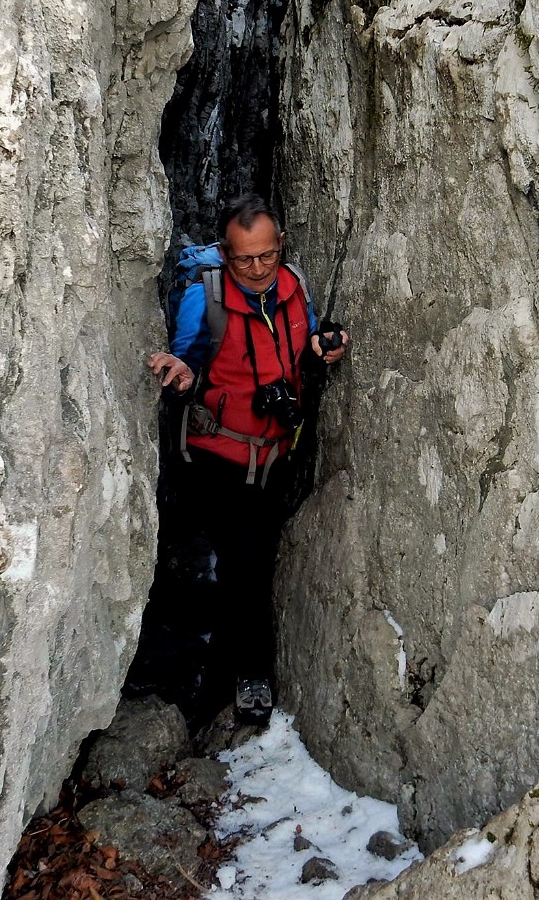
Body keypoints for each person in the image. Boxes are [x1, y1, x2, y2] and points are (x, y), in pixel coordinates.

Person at [147, 195, 349, 724]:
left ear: (280, 245)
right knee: (246, 564)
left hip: (278, 453)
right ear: (224, 253)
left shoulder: (294, 288)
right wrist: (183, 376)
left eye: (266, 256)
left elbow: (300, 350)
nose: (257, 269)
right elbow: (188, 360)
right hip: (221, 459)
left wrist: (324, 346)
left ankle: (214, 678)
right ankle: (245, 676)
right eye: (243, 260)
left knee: (252, 560)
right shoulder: (205, 299)